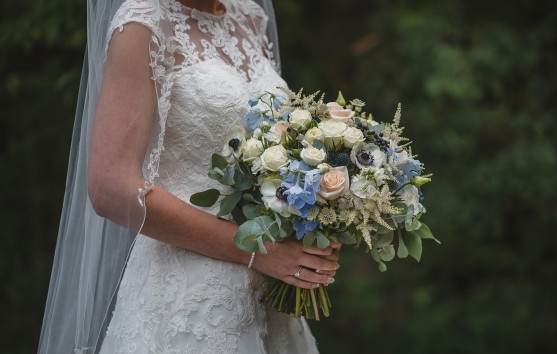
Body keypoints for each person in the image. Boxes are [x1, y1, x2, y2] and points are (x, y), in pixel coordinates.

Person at [38, 0, 340, 353]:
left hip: (272, 288)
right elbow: (111, 186)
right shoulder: (142, 24)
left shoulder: (249, 17)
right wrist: (257, 251)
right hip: (188, 289)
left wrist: (316, 221)